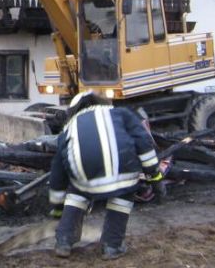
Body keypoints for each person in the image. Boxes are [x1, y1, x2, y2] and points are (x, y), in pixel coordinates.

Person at [48, 90, 162, 260]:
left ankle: (64, 241)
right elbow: (144, 143)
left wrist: (57, 209)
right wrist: (155, 176)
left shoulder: (68, 128)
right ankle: (112, 246)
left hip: (84, 179)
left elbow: (58, 172)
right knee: (122, 196)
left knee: (76, 193)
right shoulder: (122, 114)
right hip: (123, 174)